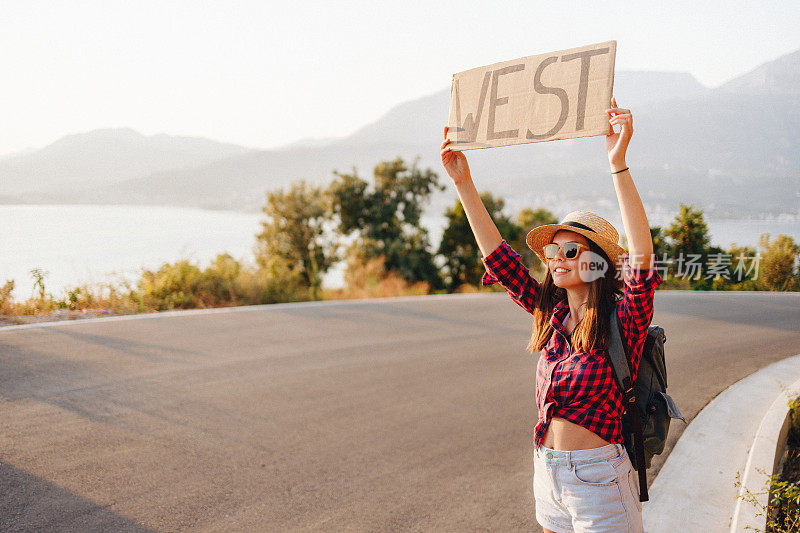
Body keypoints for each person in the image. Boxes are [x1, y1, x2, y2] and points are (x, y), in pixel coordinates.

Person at [439, 98, 662, 533]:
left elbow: (642, 257)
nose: (557, 258)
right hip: (549, 472)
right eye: (552, 251)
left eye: (571, 250)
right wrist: (463, 182)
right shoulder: (552, 316)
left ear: (597, 262)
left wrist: (618, 163)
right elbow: (500, 260)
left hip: (600, 479)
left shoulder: (623, 318)